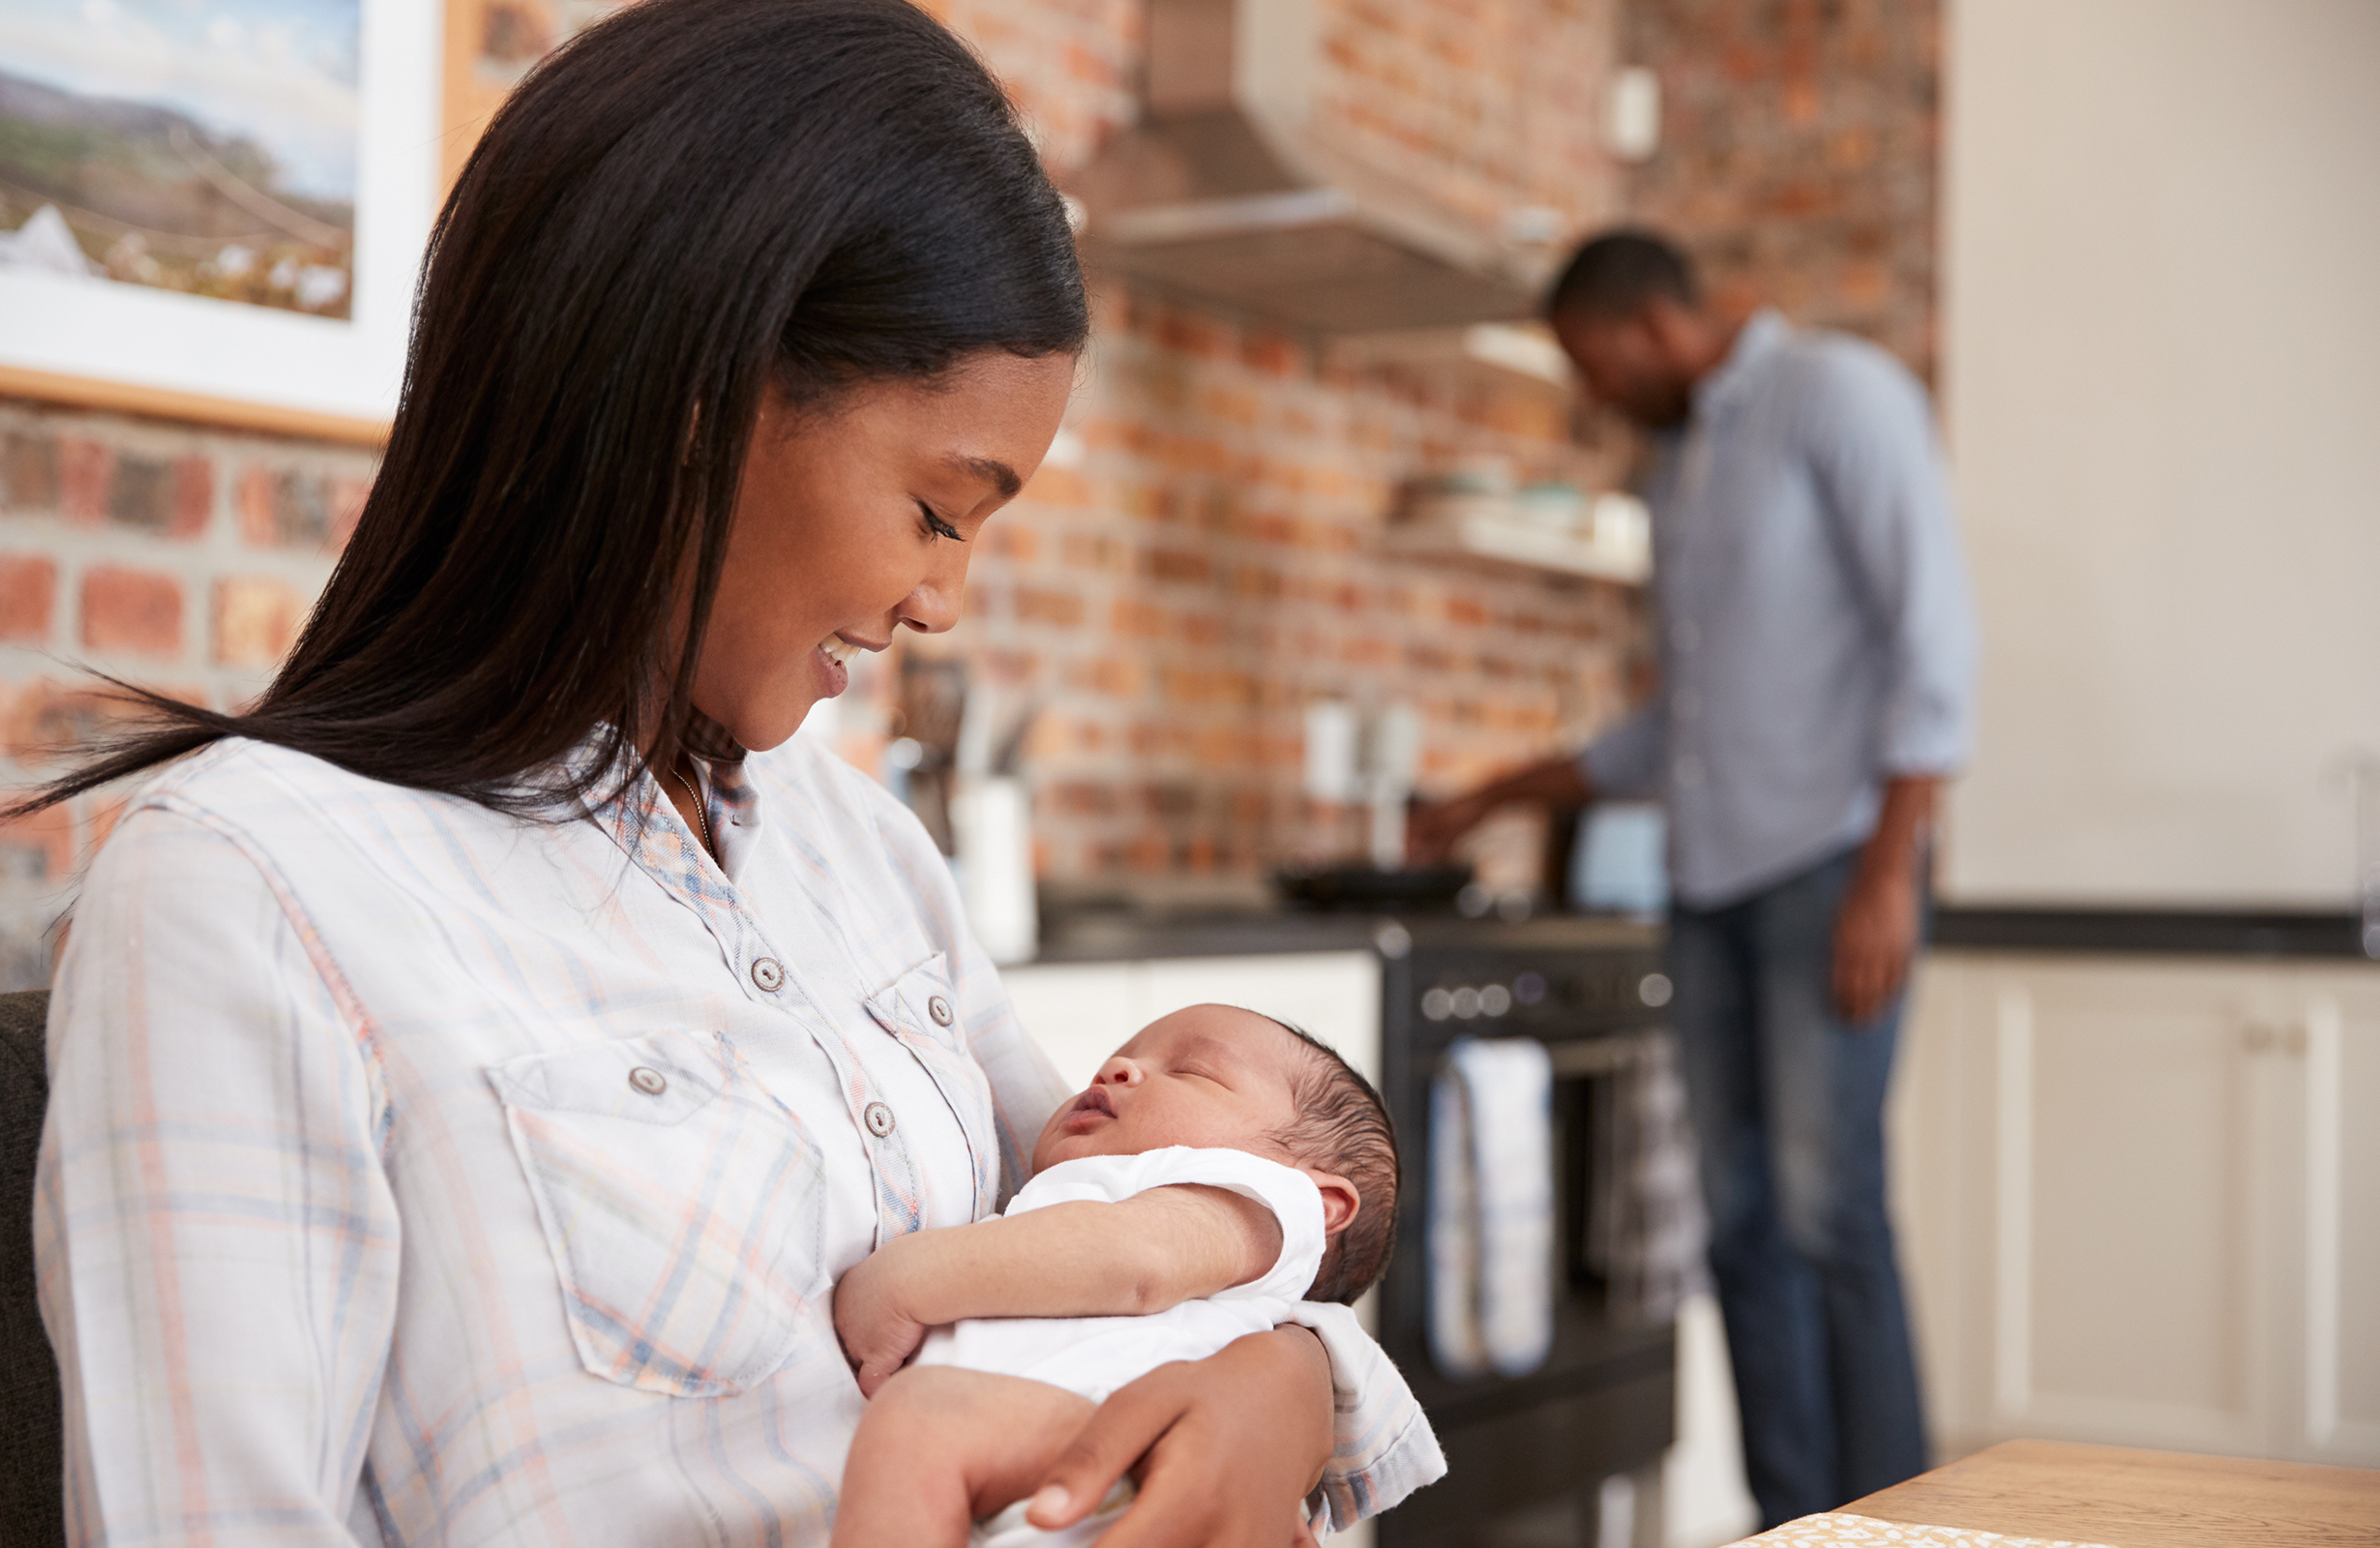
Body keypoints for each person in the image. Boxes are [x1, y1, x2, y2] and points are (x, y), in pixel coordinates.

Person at [17, 5, 1442, 1544]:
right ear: (699, 404)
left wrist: (1294, 1379)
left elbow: (1182, 1222)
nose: (939, 600)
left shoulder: (857, 851)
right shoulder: (256, 892)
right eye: (940, 510)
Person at [1412, 229, 1978, 1527]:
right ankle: (1794, 1518)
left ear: (1639, 331)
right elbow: (1676, 731)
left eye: (1589, 369)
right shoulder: (1679, 473)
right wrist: (1491, 795)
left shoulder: (1835, 397)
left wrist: (1891, 873)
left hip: (1834, 870)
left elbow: (1934, 642)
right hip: (1711, 888)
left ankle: (1898, 1521)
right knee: (1741, 1231)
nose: (1594, 397)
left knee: (1832, 1213)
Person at [829, 1004, 1400, 1547]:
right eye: (1122, 1056)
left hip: (1139, 1479)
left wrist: (906, 1281)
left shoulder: (1257, 1203)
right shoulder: (1056, 1203)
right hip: (1053, 1487)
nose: (1118, 1068)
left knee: (917, 1421)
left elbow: (1142, 1259)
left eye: (1194, 1071)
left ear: (1320, 1204)